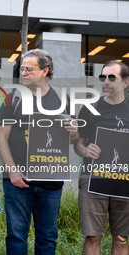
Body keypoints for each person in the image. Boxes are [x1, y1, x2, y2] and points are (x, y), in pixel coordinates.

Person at [0, 49, 79, 255]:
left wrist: (74, 132)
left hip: (51, 182)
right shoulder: (12, 98)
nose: (23, 73)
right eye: (22, 69)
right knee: (16, 235)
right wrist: (12, 171)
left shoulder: (62, 99)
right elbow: (1, 137)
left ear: (44, 71)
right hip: (17, 181)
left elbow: (72, 140)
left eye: (29, 69)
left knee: (48, 237)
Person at [74, 60, 129, 255]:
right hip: (93, 178)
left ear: (125, 82)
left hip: (125, 180)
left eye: (112, 77)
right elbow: (77, 144)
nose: (106, 81)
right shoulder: (90, 108)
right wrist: (85, 150)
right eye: (103, 77)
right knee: (93, 236)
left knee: (122, 238)